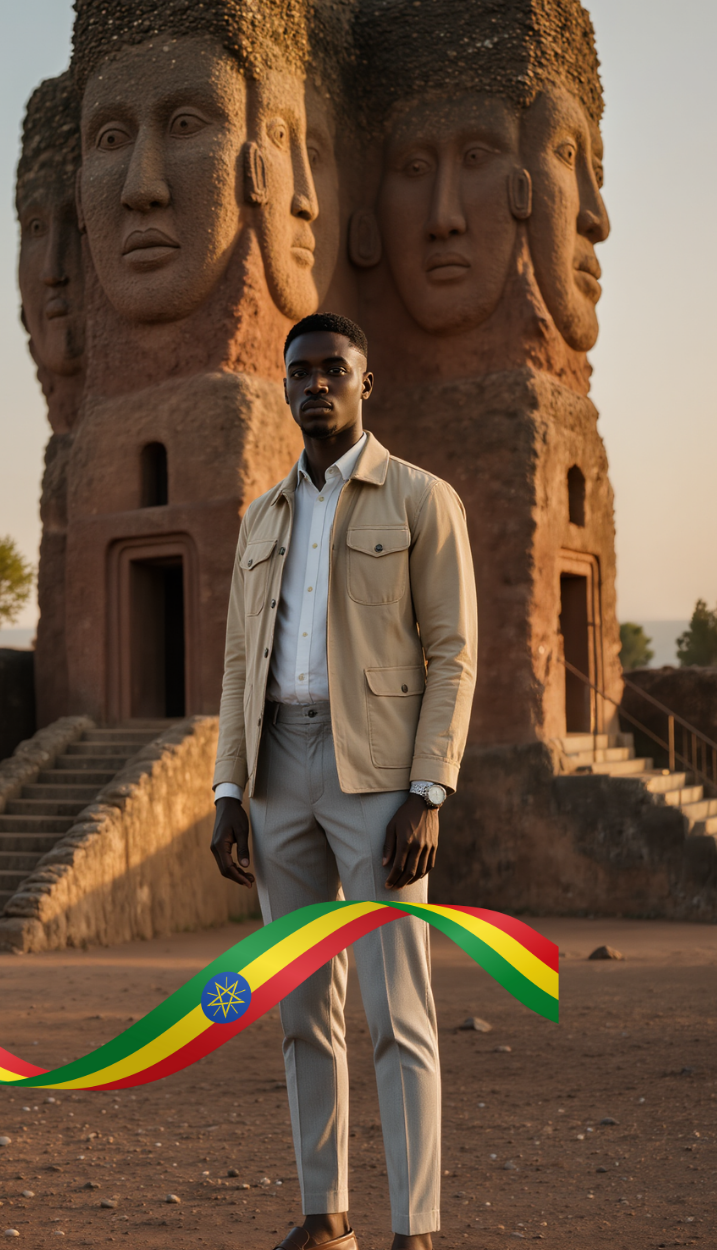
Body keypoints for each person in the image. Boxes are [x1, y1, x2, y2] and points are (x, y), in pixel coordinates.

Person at [211, 311, 477, 1250]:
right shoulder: (261, 516)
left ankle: (416, 1230)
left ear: (367, 383)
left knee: (398, 1009)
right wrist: (228, 791)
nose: (314, 384)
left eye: (332, 369)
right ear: (283, 389)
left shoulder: (419, 500)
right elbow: (241, 662)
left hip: (379, 777)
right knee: (301, 1011)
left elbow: (453, 655)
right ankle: (326, 1218)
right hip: (278, 770)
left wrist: (429, 791)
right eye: (299, 373)